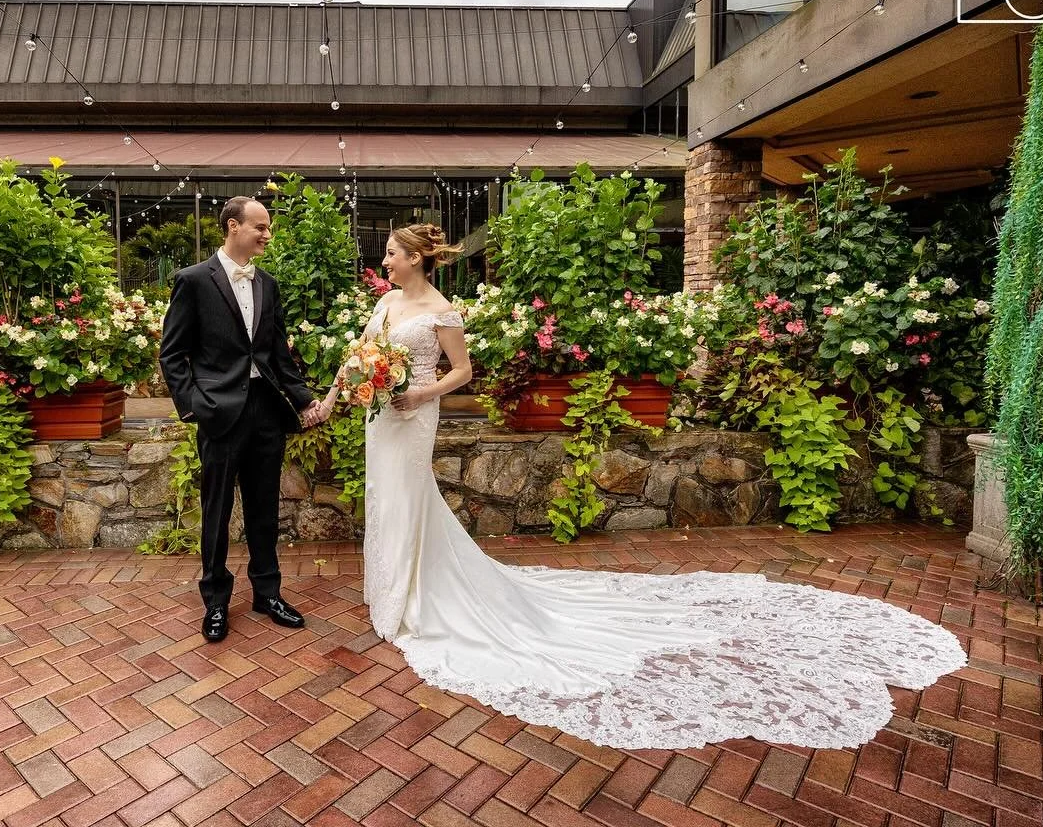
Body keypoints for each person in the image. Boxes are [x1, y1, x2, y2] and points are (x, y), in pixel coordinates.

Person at [307, 223, 968, 750]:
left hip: (413, 414)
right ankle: (391, 593)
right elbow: (358, 357)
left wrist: (419, 392)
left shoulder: (442, 310)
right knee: (389, 501)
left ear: (416, 259)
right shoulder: (385, 303)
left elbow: (463, 373)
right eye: (385, 254)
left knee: (411, 499)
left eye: (390, 253)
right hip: (379, 417)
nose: (384, 261)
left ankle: (415, 601)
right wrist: (335, 399)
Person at [159, 196, 327, 643]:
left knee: (264, 509)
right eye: (260, 227)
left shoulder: (267, 284)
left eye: (268, 227)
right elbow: (172, 354)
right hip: (219, 413)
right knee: (216, 511)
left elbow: (277, 353)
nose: (267, 235)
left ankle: (267, 594)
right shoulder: (193, 280)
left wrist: (304, 400)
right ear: (233, 226)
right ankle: (215, 601)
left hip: (265, 411)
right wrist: (194, 406)